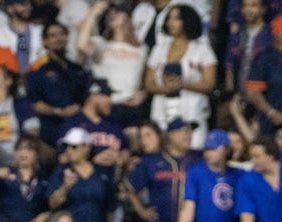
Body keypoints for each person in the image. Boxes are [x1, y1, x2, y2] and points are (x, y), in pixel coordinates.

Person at [144, 3, 216, 147]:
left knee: (192, 155)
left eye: (176, 19)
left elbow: (210, 83)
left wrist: (183, 84)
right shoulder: (159, 49)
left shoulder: (202, 50)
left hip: (192, 112)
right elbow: (149, 83)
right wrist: (166, 88)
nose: (171, 22)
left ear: (187, 21)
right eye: (169, 18)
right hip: (162, 112)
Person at [124, 116, 199, 222]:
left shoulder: (199, 159)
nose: (189, 134)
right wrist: (141, 211)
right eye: (184, 131)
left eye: (190, 131)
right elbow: (131, 188)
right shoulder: (151, 161)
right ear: (170, 135)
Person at [77, 0, 149, 129]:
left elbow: (145, 79)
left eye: (118, 12)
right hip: (108, 106)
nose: (113, 15)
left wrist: (144, 93)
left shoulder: (142, 48)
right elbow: (82, 45)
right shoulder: (101, 44)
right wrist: (93, 13)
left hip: (132, 107)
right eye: (110, 13)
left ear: (128, 18)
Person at [46, 125, 116, 222]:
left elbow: (109, 209)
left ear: (86, 147)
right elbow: (52, 204)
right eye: (66, 146)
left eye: (74, 146)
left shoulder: (101, 174)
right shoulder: (61, 172)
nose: (69, 150)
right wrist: (64, 187)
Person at [172, 128, 241, 222]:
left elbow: (248, 212)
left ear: (226, 149)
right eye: (207, 149)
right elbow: (188, 210)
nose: (208, 153)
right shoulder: (196, 172)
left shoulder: (240, 175)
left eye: (213, 149)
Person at [26, 21, 91, 148]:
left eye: (62, 34)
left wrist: (78, 108)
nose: (58, 39)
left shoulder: (77, 69)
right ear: (45, 42)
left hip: (77, 126)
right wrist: (59, 112)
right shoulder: (38, 70)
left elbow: (85, 96)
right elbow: (35, 103)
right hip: (51, 128)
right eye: (53, 35)